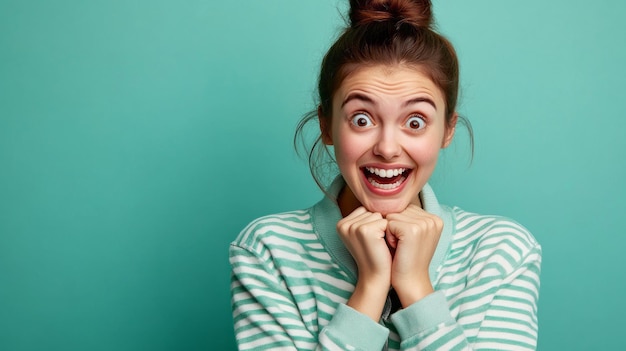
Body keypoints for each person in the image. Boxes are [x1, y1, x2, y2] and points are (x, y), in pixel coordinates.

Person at [229, 0, 542, 350]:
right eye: (361, 119)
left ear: (447, 130)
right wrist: (371, 286)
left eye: (415, 122)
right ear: (327, 125)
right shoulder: (269, 251)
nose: (388, 148)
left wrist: (415, 287)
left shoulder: (501, 253)